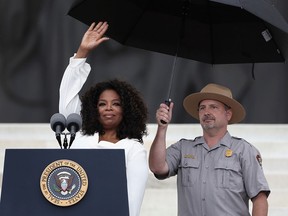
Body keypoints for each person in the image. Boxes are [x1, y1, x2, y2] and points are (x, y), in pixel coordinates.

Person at [59, 21, 149, 216]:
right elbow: (66, 102)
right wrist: (81, 53)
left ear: (127, 110)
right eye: (102, 104)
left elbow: (132, 202)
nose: (109, 108)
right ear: (94, 109)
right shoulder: (79, 139)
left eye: (116, 104)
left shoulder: (133, 149)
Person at [149, 83, 270, 216]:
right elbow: (157, 167)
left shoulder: (244, 150)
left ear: (228, 114)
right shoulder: (183, 148)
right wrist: (162, 128)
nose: (206, 112)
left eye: (214, 107)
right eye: (202, 108)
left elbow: (260, 199)